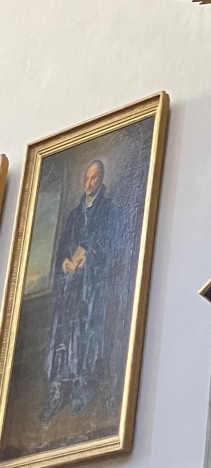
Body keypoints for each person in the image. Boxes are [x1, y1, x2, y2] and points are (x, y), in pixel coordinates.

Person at [42, 159, 118, 422]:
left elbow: (113, 244)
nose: (89, 183)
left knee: (85, 334)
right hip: (69, 288)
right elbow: (64, 246)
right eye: (86, 178)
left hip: (91, 287)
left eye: (94, 178)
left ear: (101, 179)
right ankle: (56, 392)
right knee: (62, 336)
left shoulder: (108, 209)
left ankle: (80, 388)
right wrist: (65, 261)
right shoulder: (75, 215)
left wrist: (91, 257)